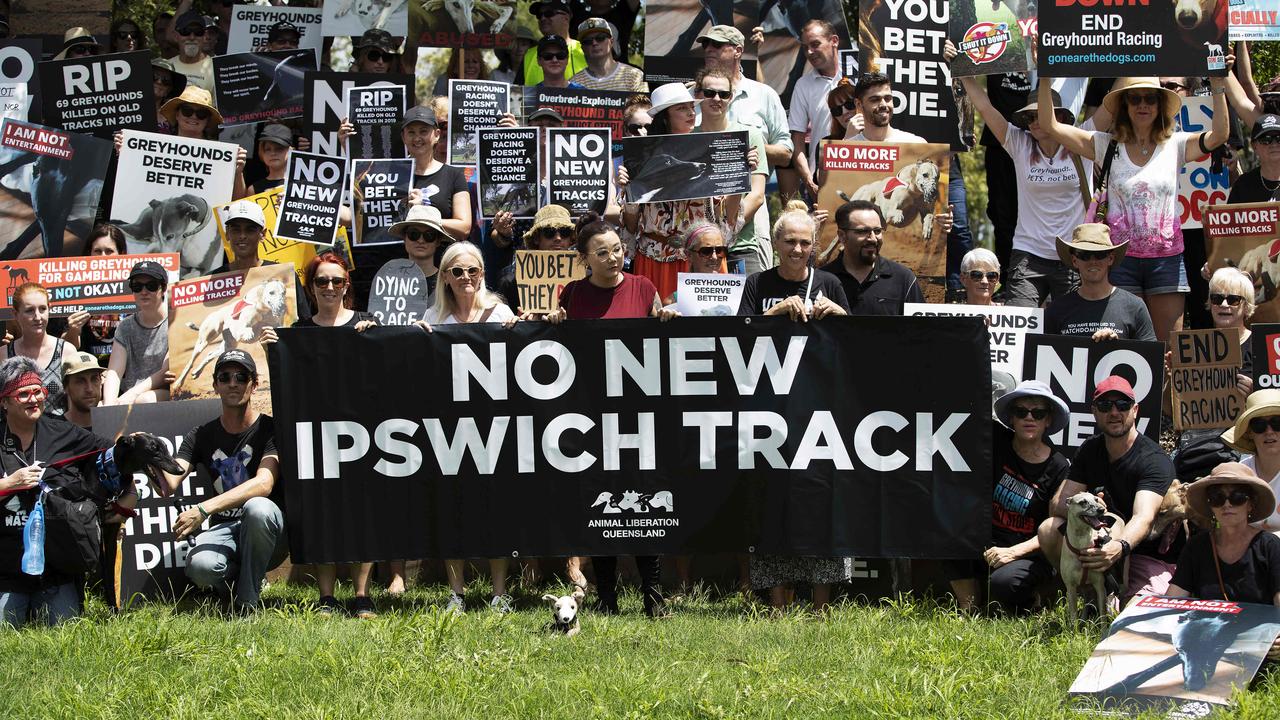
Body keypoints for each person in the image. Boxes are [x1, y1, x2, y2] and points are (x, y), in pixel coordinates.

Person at [546, 213, 676, 616]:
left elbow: (661, 338)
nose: (612, 258)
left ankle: (652, 596)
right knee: (602, 504)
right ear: (585, 258)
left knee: (645, 501)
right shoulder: (571, 295)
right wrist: (555, 325)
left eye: (617, 249)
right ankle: (607, 597)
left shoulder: (643, 287)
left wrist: (667, 320)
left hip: (639, 417)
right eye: (601, 252)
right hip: (591, 416)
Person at [1038, 76, 1230, 344]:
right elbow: (1049, 125)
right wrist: (1046, 78)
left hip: (1167, 260)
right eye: (1135, 98)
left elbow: (1220, 135)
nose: (1143, 104)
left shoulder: (1175, 144)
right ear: (1124, 105)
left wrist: (1220, 84)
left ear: (1160, 104)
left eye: (1150, 98)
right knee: (1128, 347)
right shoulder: (1104, 144)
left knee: (1168, 350)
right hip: (1121, 260)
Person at [416, 242, 518, 613]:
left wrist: (517, 333)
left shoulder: (500, 312)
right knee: (452, 507)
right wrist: (414, 341)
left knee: (497, 508)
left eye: (472, 270)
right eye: (456, 271)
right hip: (450, 432)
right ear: (444, 276)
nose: (465, 278)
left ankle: (499, 592)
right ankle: (456, 593)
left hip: (495, 429)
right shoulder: (433, 318)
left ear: (482, 273)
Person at [0, 356, 131, 627]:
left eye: (38, 392)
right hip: (5, 569)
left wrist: (128, 495)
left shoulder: (60, 430)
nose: (33, 399)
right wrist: (9, 484)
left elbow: (112, 452)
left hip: (56, 569)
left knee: (66, 626)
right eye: (23, 394)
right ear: (4, 402)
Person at [161, 350, 286, 613]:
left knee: (258, 508)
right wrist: (145, 454)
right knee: (200, 567)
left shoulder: (271, 429)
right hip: (226, 530)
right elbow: (168, 483)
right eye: (225, 377)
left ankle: (246, 604)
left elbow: (264, 484)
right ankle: (242, 582)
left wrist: (203, 509)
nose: (233, 383)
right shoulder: (201, 435)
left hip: (269, 533)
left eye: (241, 377)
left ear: (255, 383)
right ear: (215, 385)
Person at [1038, 375, 1181, 602]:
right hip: (1099, 543)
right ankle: (1084, 592)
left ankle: (1115, 595)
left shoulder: (1153, 460)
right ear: (1094, 412)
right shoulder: (1090, 449)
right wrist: (1094, 509)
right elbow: (1057, 505)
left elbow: (1143, 517)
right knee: (1049, 529)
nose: (1114, 412)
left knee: (1135, 616)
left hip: (1143, 554)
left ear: (1135, 410)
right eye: (1105, 406)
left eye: (1122, 405)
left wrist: (1119, 545)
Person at [951, 381, 1070, 613]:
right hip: (985, 541)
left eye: (1038, 412)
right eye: (1020, 411)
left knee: (1005, 583)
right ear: (1011, 418)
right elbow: (966, 412)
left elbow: (1056, 529)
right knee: (948, 534)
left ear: (1048, 420)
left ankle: (1033, 601)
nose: (1029, 417)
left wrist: (1013, 553)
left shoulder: (1059, 467)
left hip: (1030, 553)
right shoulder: (996, 438)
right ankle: (970, 609)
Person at [847, 71, 966, 299]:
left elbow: (932, 203)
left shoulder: (917, 144)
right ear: (859, 105)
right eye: (875, 100)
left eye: (888, 98)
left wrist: (944, 219)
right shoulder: (846, 146)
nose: (884, 105)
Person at [619, 83, 733, 301]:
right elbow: (631, 226)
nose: (691, 113)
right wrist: (629, 193)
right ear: (665, 116)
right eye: (681, 108)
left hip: (703, 257)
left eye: (691, 107)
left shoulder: (710, 148)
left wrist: (740, 172)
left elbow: (724, 215)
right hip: (656, 257)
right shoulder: (641, 156)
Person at [697, 24, 793, 274]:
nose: (709, 49)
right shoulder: (691, 96)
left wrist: (744, 149)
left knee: (752, 285)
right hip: (696, 218)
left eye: (717, 45)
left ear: (738, 50)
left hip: (750, 210)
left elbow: (786, 152)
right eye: (706, 44)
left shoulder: (765, 94)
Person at [1167, 463, 1280, 660]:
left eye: (1237, 497)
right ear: (1211, 506)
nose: (1227, 505)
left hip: (1259, 644)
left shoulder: (1270, 546)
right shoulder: (1196, 546)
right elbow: (1173, 600)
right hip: (1206, 643)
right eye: (1217, 498)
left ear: (1250, 504)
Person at [694, 68, 768, 276]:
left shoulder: (750, 135)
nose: (716, 99)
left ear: (731, 97)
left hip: (740, 245)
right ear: (697, 95)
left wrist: (726, 228)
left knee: (749, 307)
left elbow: (757, 194)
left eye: (723, 94)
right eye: (709, 93)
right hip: (696, 248)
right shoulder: (687, 137)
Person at [1044, 223, 1156, 341]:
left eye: (1099, 254)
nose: (1093, 261)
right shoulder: (1057, 309)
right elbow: (1042, 354)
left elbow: (1149, 357)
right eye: (1085, 255)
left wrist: (1118, 344)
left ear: (1110, 259)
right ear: (1074, 260)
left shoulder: (1134, 306)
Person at [738, 202, 848, 319]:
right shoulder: (756, 283)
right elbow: (743, 333)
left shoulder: (829, 283)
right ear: (775, 243)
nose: (797, 249)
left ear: (813, 247)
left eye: (805, 243)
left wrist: (842, 315)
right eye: (790, 242)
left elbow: (854, 333)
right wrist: (775, 311)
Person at [211, 200, 311, 321]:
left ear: (262, 234)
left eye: (250, 230)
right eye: (236, 230)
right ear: (227, 234)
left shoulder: (285, 275)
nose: (242, 235)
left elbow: (304, 325)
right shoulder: (211, 280)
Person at [821, 199, 923, 316]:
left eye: (877, 231)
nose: (873, 239)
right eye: (863, 231)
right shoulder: (821, 280)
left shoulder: (903, 279)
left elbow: (921, 331)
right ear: (842, 236)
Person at [103, 261, 172, 406]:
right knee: (102, 405)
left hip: (166, 393)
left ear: (163, 288)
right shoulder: (125, 326)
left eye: (151, 286)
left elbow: (165, 371)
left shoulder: (175, 321)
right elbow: (114, 372)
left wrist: (130, 395)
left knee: (144, 400)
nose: (144, 292)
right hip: (129, 398)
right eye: (137, 286)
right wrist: (109, 406)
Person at [399, 107, 472, 242]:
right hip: (397, 258)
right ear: (403, 137)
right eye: (411, 132)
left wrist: (424, 216)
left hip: (441, 259)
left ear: (437, 134)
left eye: (423, 131)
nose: (417, 138)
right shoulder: (392, 174)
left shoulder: (454, 175)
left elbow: (464, 228)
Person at [788, 19, 841, 199]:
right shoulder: (803, 85)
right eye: (805, 47)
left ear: (834, 40)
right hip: (822, 180)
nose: (809, 52)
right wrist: (809, 181)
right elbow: (797, 141)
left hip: (864, 171)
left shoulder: (861, 70)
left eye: (815, 44)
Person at [496, 204, 576, 314]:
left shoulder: (585, 278)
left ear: (571, 238)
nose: (558, 238)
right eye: (550, 232)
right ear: (537, 238)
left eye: (564, 232)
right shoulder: (512, 282)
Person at [1222, 391, 1280, 535]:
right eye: (1259, 425)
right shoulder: (1239, 473)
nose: (1269, 431)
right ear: (1249, 433)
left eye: (1277, 423)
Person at [7, 284, 69, 417]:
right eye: (29, 310)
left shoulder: (66, 351)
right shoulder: (4, 355)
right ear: (15, 314)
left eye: (42, 309)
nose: (37, 317)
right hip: (15, 435)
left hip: (60, 434)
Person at [388, 204, 451, 305]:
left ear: (438, 241)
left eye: (429, 235)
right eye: (414, 234)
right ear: (404, 238)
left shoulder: (448, 281)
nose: (421, 240)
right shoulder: (390, 282)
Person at [570, 18, 644, 92]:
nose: (594, 43)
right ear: (582, 48)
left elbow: (643, 103)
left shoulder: (635, 76)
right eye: (588, 41)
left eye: (600, 38)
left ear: (611, 42)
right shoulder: (574, 83)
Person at [523, 0, 587, 84]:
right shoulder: (529, 54)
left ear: (566, 17)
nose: (542, 18)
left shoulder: (585, 50)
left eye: (549, 14)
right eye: (539, 15)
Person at [1229, 114, 1280, 204]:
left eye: (1279, 138)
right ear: (1254, 146)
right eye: (1266, 139)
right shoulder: (1243, 185)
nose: (1274, 144)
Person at [166, 11, 214, 93]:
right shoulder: (167, 68)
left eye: (198, 32)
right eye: (186, 31)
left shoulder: (215, 69)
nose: (192, 37)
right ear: (176, 36)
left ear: (205, 36)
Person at [244, 124, 292, 196]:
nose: (273, 153)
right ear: (262, 152)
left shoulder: (301, 185)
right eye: (267, 149)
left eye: (279, 149)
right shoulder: (253, 189)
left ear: (290, 150)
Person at [61, 352, 105, 429]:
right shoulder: (55, 431)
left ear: (101, 382)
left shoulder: (115, 425)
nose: (89, 389)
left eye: (94, 379)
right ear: (66, 387)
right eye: (80, 381)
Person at [151, 59, 187, 134]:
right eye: (153, 77)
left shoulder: (175, 115)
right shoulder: (129, 108)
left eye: (166, 81)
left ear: (169, 89)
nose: (159, 82)